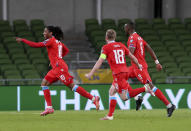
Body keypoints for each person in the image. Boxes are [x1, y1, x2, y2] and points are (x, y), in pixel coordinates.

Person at [16, 26, 100, 116]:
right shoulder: (58, 42)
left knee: (72, 86)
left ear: (50, 33)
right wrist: (56, 59)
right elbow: (66, 51)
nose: (43, 33)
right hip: (57, 67)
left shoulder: (51, 40)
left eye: (45, 32)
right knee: (44, 83)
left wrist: (23, 40)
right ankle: (49, 108)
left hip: (60, 68)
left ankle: (93, 98)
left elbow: (36, 45)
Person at [85, 29, 154, 120]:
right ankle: (110, 115)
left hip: (118, 74)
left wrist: (91, 73)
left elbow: (100, 61)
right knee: (112, 91)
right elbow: (132, 57)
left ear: (106, 38)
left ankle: (145, 88)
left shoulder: (106, 48)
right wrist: (138, 65)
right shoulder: (121, 45)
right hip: (125, 71)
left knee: (124, 97)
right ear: (114, 37)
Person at [124, 22, 176, 117]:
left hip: (139, 67)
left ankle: (169, 105)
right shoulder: (139, 37)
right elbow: (149, 48)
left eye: (125, 27)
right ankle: (137, 98)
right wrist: (156, 62)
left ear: (128, 28)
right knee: (122, 75)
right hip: (134, 67)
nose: (124, 28)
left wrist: (119, 55)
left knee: (150, 86)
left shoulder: (132, 38)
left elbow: (130, 52)